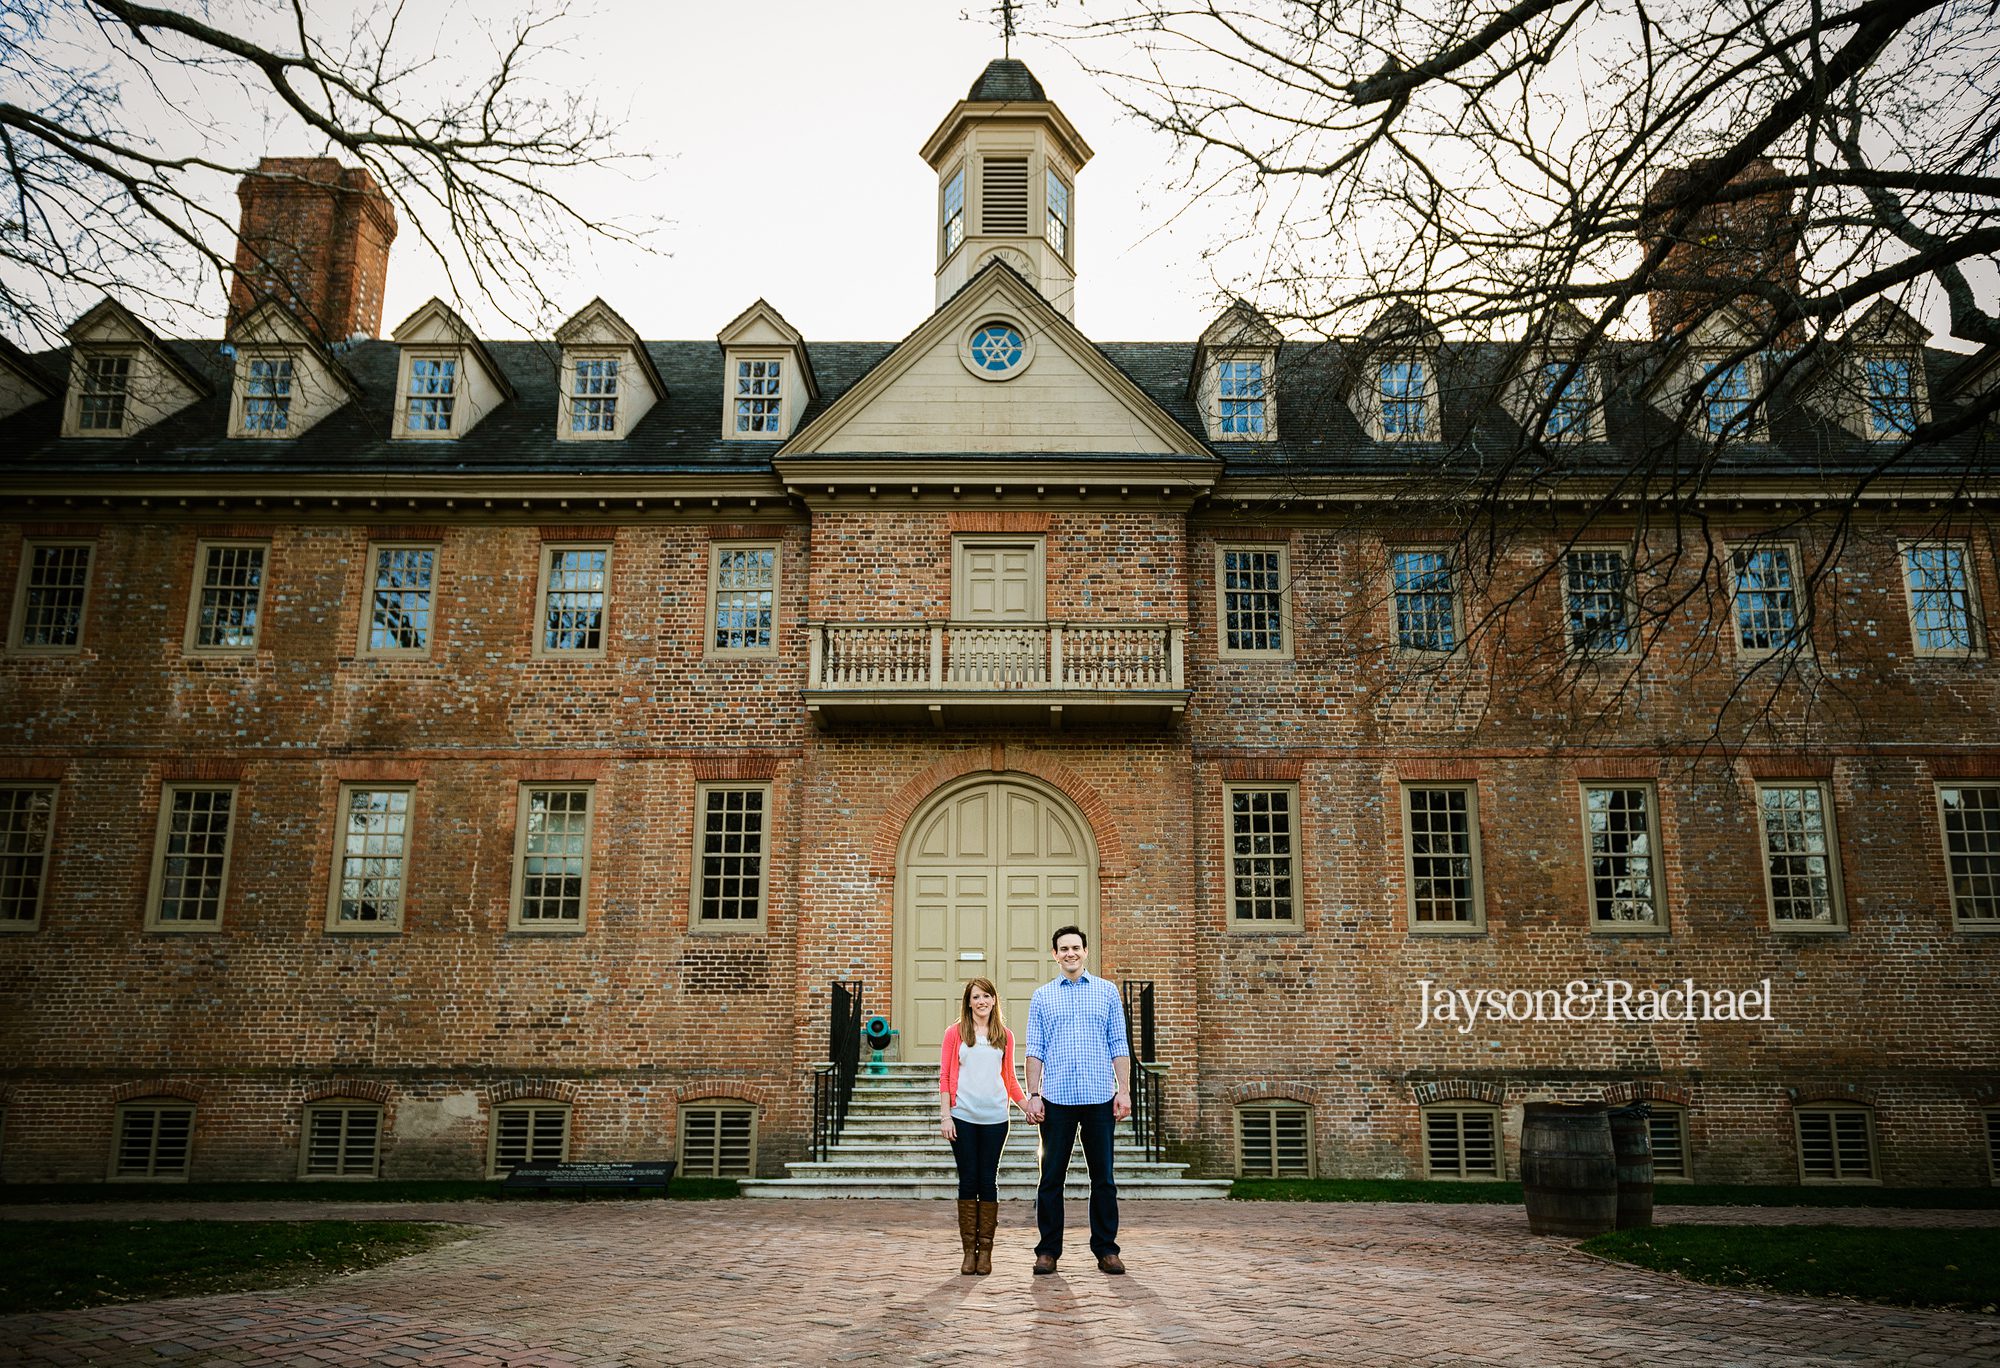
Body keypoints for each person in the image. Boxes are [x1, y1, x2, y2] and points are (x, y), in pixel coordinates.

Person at [1022, 925, 1130, 1275]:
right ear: (1054, 955)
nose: (1070, 953)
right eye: (1063, 948)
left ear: (1086, 952)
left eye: (1075, 947)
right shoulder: (1042, 997)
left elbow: (1119, 1045)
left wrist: (1124, 1090)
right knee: (1051, 1178)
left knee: (1104, 1179)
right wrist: (1034, 1095)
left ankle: (1106, 1250)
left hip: (1099, 1097)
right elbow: (1035, 1051)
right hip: (1056, 1099)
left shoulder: (1107, 992)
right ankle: (1048, 1251)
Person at [937, 975, 1025, 1275]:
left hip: (996, 1120)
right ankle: (967, 1253)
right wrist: (945, 1115)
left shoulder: (1005, 1036)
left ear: (994, 1000)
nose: (982, 1001)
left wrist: (1029, 1106)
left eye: (986, 996)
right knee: (968, 1180)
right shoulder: (955, 1033)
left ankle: (985, 1252)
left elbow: (1010, 1080)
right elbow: (945, 1079)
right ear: (968, 1002)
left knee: (988, 1181)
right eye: (976, 997)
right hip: (962, 1118)